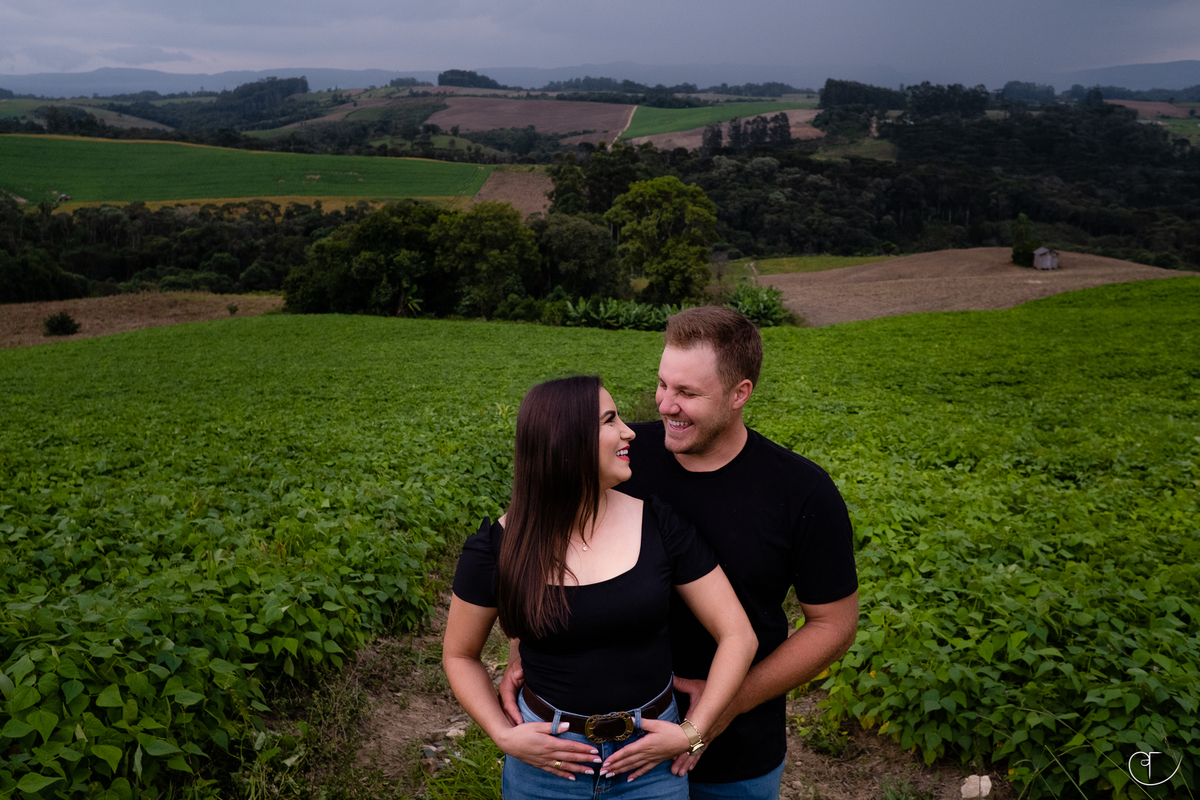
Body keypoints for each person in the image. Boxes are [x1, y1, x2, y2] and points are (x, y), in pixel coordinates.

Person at [502, 308, 859, 800]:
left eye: (688, 393)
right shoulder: (623, 456)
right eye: (662, 384)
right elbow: (546, 543)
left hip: (735, 751)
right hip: (608, 749)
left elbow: (834, 625)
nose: (665, 405)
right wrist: (528, 652)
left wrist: (726, 704)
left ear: (740, 394)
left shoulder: (801, 491)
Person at [443, 375, 757, 799]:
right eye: (610, 420)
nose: (629, 431)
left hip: (649, 762)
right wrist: (503, 734)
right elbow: (460, 654)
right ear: (566, 443)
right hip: (547, 765)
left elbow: (738, 634)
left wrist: (691, 733)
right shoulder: (496, 548)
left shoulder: (660, 525)